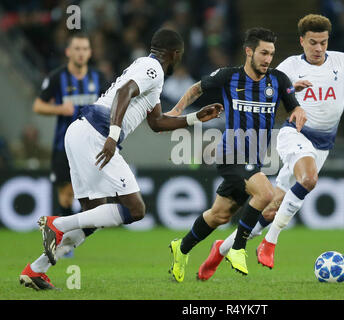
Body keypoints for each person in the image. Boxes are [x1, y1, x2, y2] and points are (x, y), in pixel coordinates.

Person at [19, 29, 222, 290]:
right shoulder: (153, 68)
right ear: (176, 54)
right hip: (97, 133)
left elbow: (157, 123)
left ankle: (36, 270)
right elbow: (125, 91)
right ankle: (57, 224)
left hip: (81, 132)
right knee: (135, 210)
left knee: (93, 218)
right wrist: (113, 136)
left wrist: (195, 118)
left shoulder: (147, 72)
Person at [197, 14, 344, 280]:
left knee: (272, 209)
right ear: (302, 41)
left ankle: (221, 249)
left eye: (323, 42)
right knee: (308, 179)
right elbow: (262, 91)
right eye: (312, 43)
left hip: (322, 144)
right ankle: (270, 242)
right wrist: (290, 87)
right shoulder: (289, 66)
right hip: (294, 134)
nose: (318, 48)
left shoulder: (342, 61)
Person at [165, 27, 306, 282]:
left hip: (255, 159)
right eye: (263, 53)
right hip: (231, 154)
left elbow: (292, 105)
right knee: (266, 194)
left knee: (220, 214)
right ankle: (238, 248)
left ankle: (181, 248)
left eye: (271, 54)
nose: (267, 59)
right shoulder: (229, 76)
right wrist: (176, 111)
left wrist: (297, 111)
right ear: (249, 51)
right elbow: (197, 88)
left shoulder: (279, 80)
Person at [32, 32, 108, 240]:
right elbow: (38, 105)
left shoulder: (98, 77)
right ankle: (61, 237)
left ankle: (68, 234)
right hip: (63, 146)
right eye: (77, 48)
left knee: (87, 195)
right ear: (68, 52)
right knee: (66, 193)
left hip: (91, 147)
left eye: (84, 49)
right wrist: (59, 109)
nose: (81, 53)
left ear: (90, 52)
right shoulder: (57, 77)